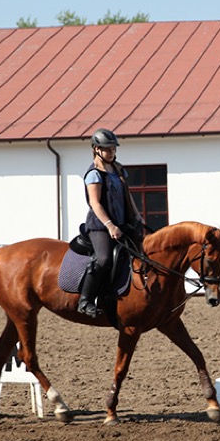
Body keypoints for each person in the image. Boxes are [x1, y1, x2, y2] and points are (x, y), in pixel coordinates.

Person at [79, 128, 144, 318]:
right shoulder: (94, 174)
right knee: (104, 259)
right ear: (97, 149)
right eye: (108, 149)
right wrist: (110, 225)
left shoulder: (119, 170)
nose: (112, 152)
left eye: (114, 149)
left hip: (122, 222)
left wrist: (137, 216)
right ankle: (86, 301)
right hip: (100, 226)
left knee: (144, 249)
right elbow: (95, 203)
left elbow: (127, 196)